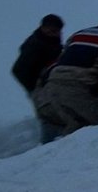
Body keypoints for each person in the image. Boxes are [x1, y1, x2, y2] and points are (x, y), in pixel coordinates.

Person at [33, 15, 98, 139]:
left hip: (48, 93)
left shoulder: (78, 35)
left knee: (71, 126)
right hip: (76, 91)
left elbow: (60, 59)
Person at [11, 14, 64, 143]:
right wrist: (35, 87)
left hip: (48, 85)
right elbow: (18, 70)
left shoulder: (50, 42)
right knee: (49, 116)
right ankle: (49, 146)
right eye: (52, 30)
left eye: (57, 31)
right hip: (40, 88)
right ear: (43, 28)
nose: (55, 33)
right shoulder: (35, 45)